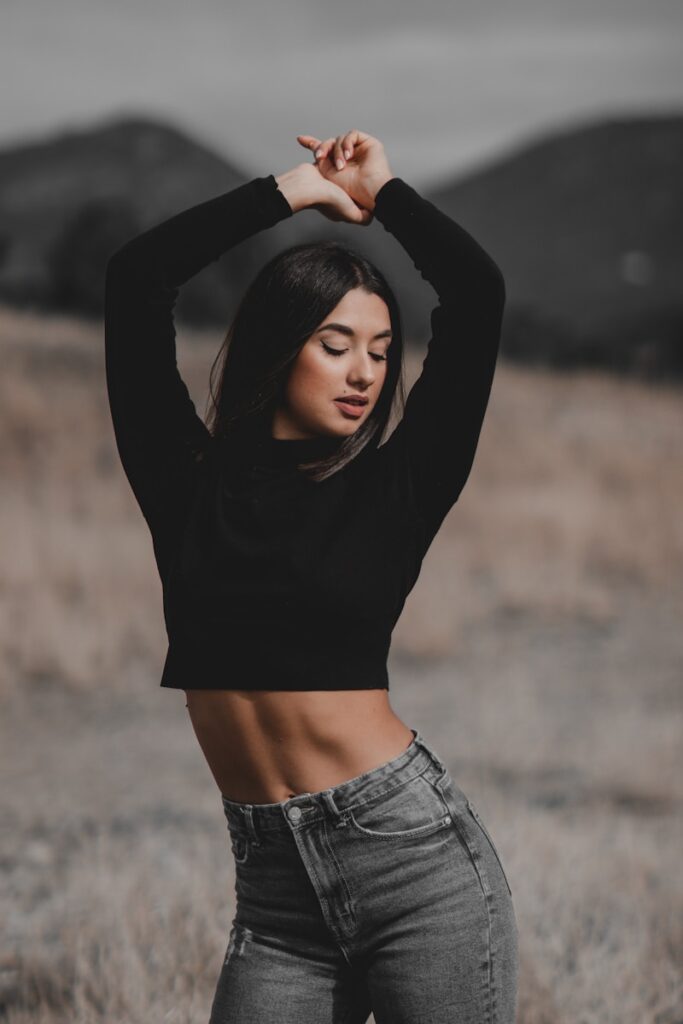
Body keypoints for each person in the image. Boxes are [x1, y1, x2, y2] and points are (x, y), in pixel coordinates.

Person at [104, 129, 518, 1023]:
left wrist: (388, 192)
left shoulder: (400, 488)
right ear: (279, 344)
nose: (365, 372)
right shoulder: (187, 486)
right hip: (276, 899)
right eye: (336, 344)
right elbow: (136, 281)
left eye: (379, 349)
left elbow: (476, 294)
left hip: (414, 867)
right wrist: (291, 192)